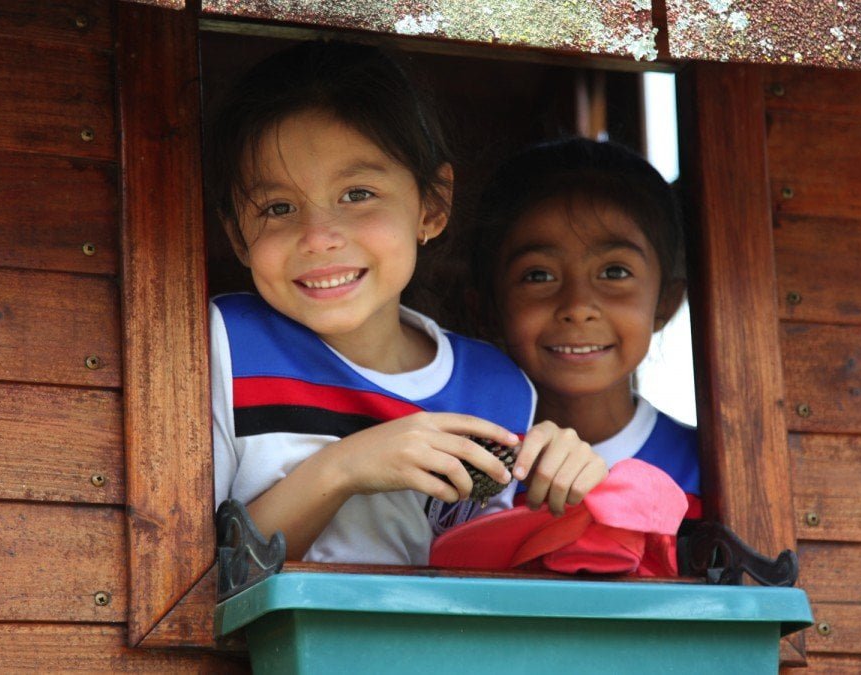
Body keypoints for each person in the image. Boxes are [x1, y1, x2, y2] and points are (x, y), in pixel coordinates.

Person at [204, 41, 607, 566]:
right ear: (238, 237)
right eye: (278, 207)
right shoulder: (227, 343)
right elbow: (196, 578)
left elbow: (483, 586)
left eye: (358, 194)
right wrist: (342, 470)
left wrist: (563, 488)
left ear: (432, 206)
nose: (319, 237)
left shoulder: (496, 387)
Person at [469, 138, 702, 519]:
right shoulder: (471, 468)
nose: (577, 307)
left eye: (615, 272)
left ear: (666, 302)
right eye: (539, 275)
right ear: (487, 309)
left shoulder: (710, 472)